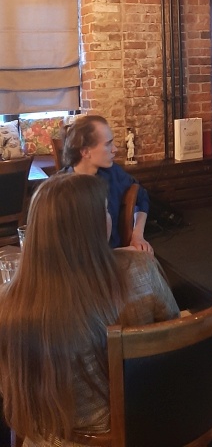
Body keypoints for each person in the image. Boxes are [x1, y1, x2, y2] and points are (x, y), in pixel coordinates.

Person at [0, 172, 179, 447]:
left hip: (55, 438)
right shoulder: (142, 269)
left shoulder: (10, 307)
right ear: (93, 226)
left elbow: (13, 395)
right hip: (145, 426)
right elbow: (175, 334)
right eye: (105, 210)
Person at [62, 115, 153, 253]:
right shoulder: (61, 190)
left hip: (113, 254)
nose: (115, 149)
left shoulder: (112, 173)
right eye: (108, 144)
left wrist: (137, 235)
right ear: (85, 152)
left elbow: (142, 196)